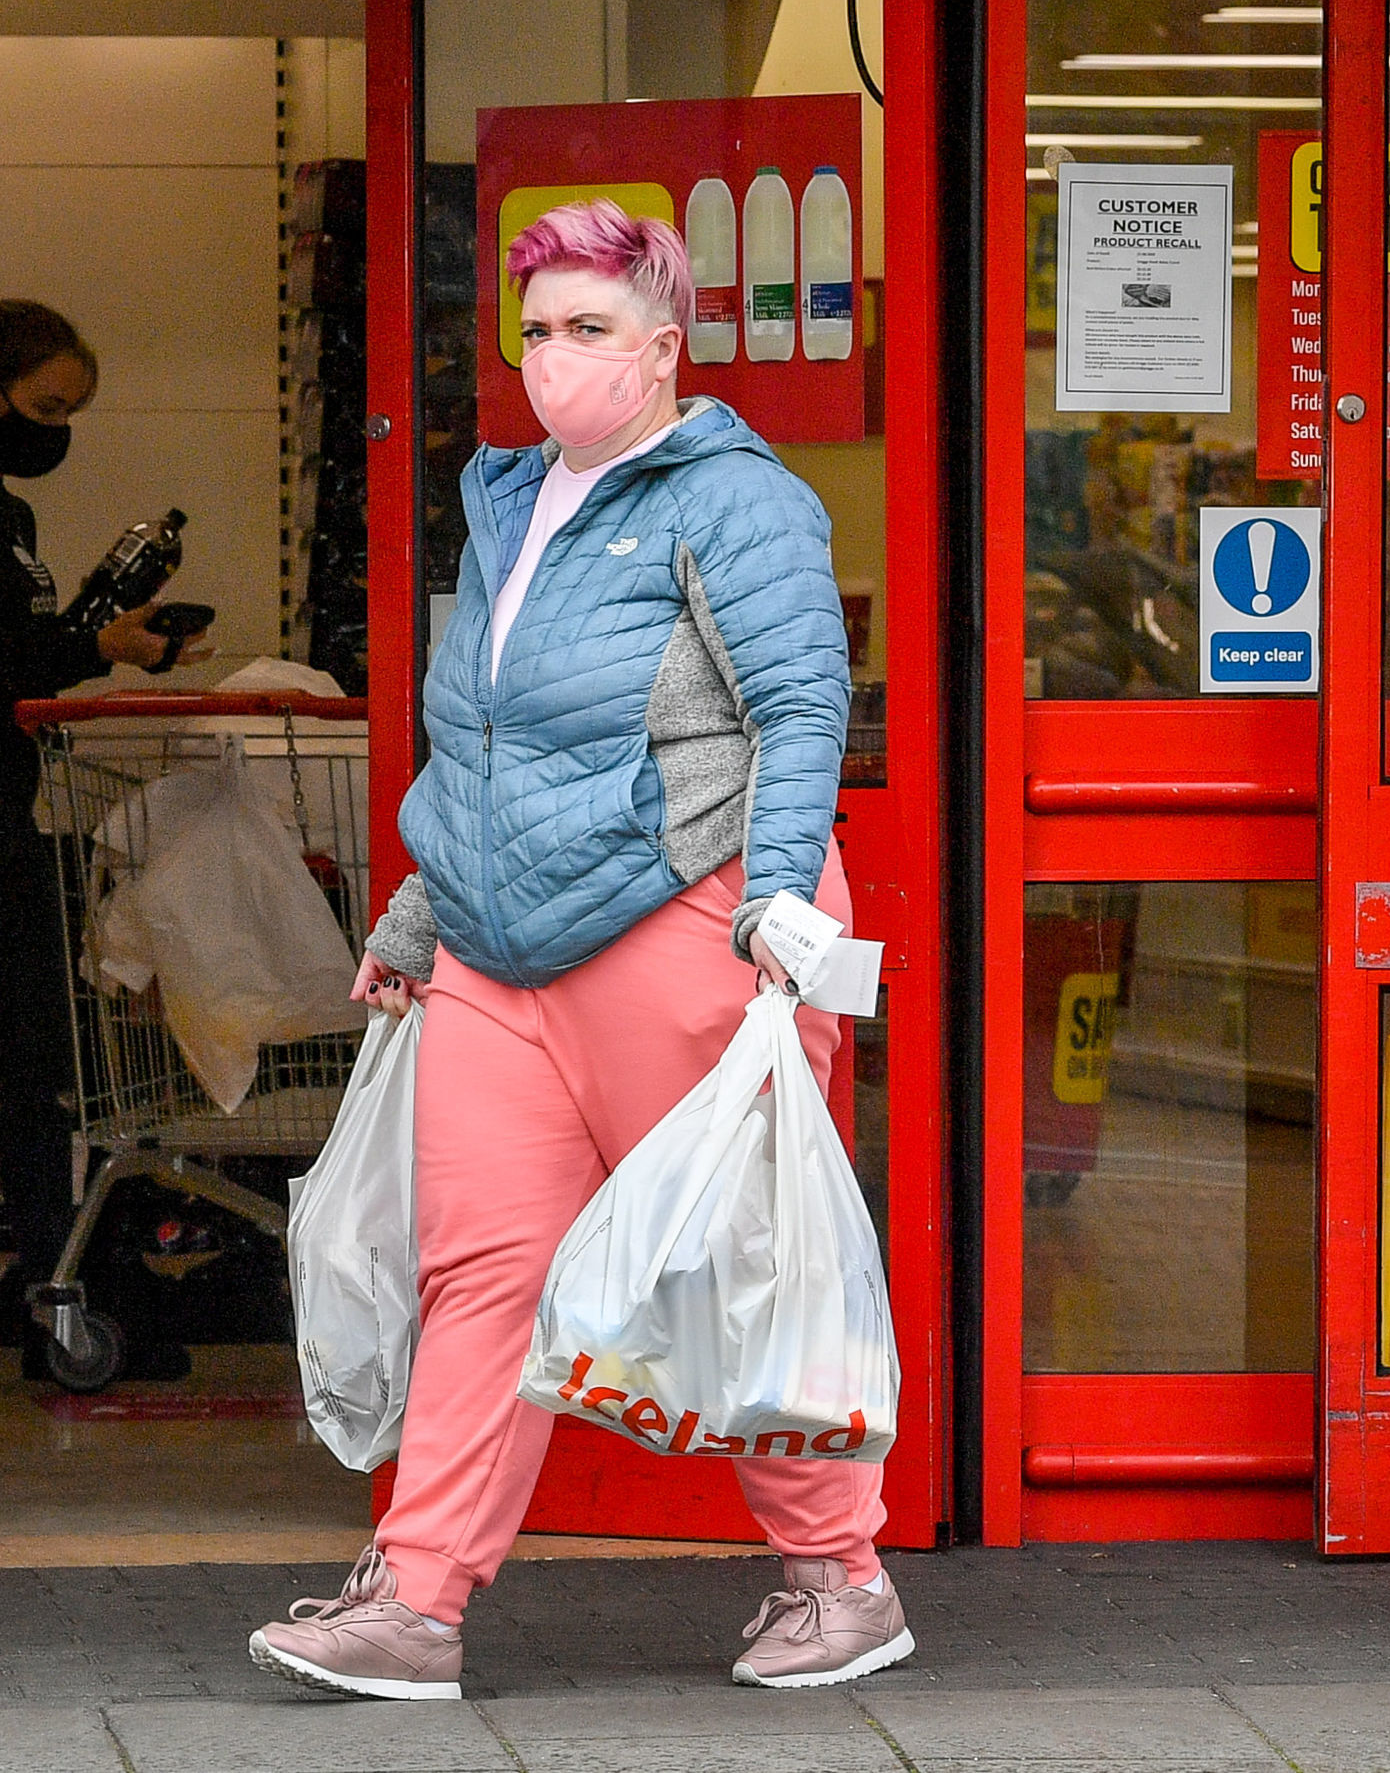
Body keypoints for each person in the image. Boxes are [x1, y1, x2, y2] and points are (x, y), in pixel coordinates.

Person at [249, 201, 908, 1702]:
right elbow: (475, 730)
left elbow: (804, 710)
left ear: (664, 348)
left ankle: (840, 1574)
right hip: (496, 945)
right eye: (537, 329)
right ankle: (417, 1599)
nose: (555, 358)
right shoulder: (510, 496)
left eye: (590, 329)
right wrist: (421, 902)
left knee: (729, 1266)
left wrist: (784, 902)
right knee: (479, 1263)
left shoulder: (737, 499)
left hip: (681, 909)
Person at [0, 299, 209, 1344]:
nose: (54, 430)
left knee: (43, 1060)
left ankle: (45, 1281)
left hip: (6, 811)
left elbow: (12, 651)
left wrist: (103, 640)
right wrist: (101, 647)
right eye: (46, 406)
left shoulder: (2, 514)